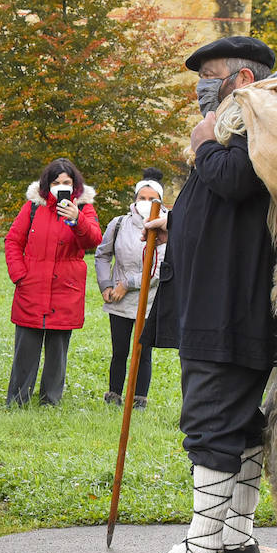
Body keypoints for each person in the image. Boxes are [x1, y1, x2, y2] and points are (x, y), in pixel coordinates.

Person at [135, 35, 277, 553]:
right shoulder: (237, 128)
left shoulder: (258, 124)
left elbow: (238, 182)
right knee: (239, 422)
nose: (200, 87)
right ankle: (237, 538)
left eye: (209, 75)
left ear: (242, 80)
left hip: (228, 307)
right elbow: (230, 208)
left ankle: (202, 551)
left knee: (211, 420)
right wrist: (177, 220)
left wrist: (201, 146)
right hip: (225, 301)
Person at [3, 159, 101, 408]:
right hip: (32, 287)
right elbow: (13, 241)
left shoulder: (84, 208)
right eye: (56, 182)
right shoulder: (33, 207)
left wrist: (77, 219)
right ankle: (18, 400)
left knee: (57, 351)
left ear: (75, 185)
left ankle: (50, 401)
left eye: (66, 182)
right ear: (47, 184)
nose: (61, 186)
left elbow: (93, 240)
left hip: (66, 289)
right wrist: (20, 275)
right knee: (26, 349)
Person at [94, 173, 166, 409]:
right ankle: (114, 395)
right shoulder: (119, 224)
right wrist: (106, 284)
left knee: (143, 352)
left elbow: (158, 269)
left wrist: (127, 284)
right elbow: (103, 254)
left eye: (152, 198)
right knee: (119, 350)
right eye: (142, 198)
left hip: (149, 299)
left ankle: (139, 399)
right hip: (118, 300)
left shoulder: (167, 227)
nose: (146, 202)